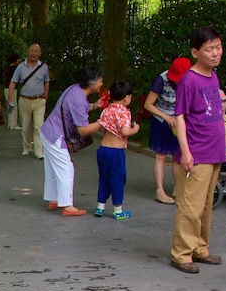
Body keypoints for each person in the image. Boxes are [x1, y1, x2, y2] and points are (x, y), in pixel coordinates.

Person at [169, 26, 226, 274]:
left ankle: (200, 248)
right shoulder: (189, 80)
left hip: (214, 150)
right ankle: (181, 253)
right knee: (190, 205)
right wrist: (186, 151)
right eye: (209, 49)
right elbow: (179, 117)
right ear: (195, 51)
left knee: (205, 205)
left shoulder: (212, 76)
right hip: (198, 151)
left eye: (218, 47)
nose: (216, 53)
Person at [39, 66, 103, 217]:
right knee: (66, 168)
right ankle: (67, 206)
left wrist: (94, 106)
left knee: (53, 169)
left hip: (48, 132)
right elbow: (83, 130)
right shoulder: (79, 99)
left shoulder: (75, 90)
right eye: (100, 80)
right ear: (91, 83)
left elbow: (77, 109)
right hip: (56, 136)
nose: (102, 83)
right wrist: (103, 123)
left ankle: (54, 199)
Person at [144, 57, 191, 205]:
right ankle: (160, 190)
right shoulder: (161, 80)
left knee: (178, 156)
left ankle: (178, 188)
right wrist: (166, 117)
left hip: (180, 121)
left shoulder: (191, 80)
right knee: (161, 156)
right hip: (162, 120)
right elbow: (148, 104)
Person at [94, 81, 140, 220]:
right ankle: (118, 209)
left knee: (104, 178)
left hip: (103, 149)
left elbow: (102, 127)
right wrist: (135, 129)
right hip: (116, 152)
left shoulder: (107, 109)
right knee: (118, 179)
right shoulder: (124, 112)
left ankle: (100, 206)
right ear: (127, 97)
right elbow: (125, 131)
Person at [7, 44, 51, 160]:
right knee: (25, 127)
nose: (34, 53)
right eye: (32, 51)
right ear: (28, 52)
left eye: (36, 51)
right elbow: (13, 82)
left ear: (40, 53)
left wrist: (46, 95)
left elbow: (47, 81)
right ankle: (27, 147)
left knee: (38, 127)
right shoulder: (21, 67)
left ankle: (38, 150)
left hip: (39, 101)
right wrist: (10, 96)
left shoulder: (44, 67)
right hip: (24, 100)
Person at [4, 53, 21, 130]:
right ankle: (13, 124)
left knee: (10, 106)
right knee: (13, 106)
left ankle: (10, 123)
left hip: (7, 88)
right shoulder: (15, 69)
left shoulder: (8, 68)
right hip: (12, 89)